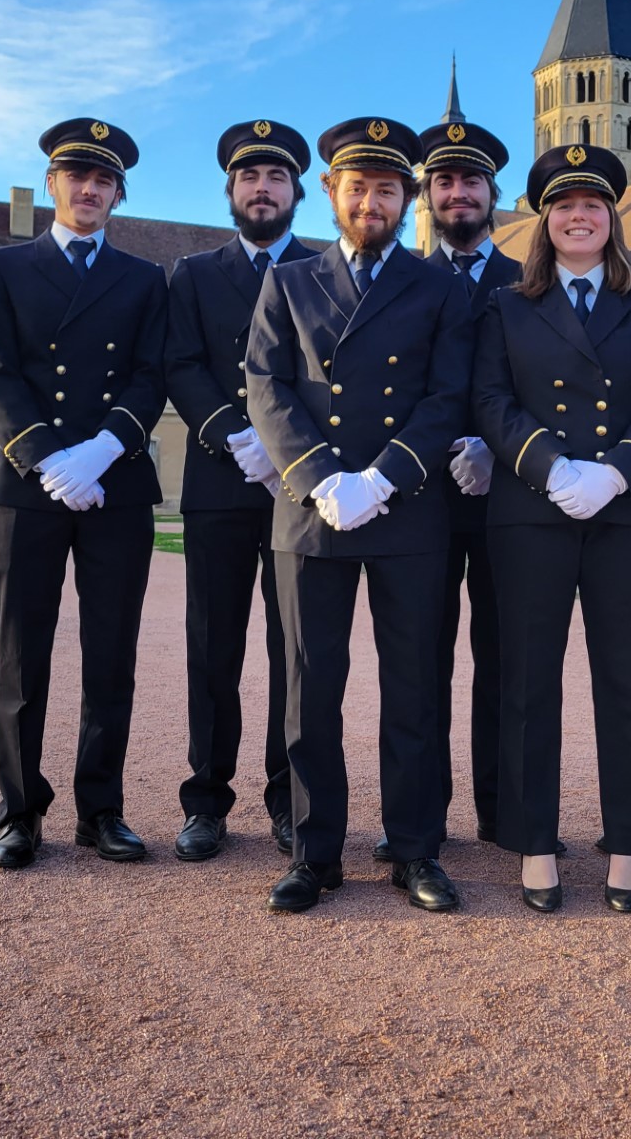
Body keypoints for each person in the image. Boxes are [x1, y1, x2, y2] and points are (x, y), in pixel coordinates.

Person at [245, 116, 474, 914]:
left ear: (405, 198)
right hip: (313, 514)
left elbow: (448, 395)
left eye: (385, 189)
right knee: (311, 690)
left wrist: (382, 478)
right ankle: (314, 854)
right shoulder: (289, 281)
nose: (370, 202)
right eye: (356, 187)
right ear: (331, 192)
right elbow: (266, 386)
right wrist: (319, 477)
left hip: (406, 509)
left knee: (413, 689)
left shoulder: (439, 286)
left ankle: (415, 850)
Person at [473, 143, 631, 912]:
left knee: (627, 680)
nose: (578, 217)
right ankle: (534, 842)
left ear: (612, 218)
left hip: (628, 511)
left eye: (592, 204)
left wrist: (617, 471)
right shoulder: (506, 305)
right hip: (532, 510)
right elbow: (490, 399)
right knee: (529, 680)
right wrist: (551, 467)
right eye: (564, 205)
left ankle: (628, 843)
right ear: (545, 220)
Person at [0, 117, 169, 870]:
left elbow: (150, 376)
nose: (90, 189)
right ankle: (18, 812)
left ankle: (101, 810)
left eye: (105, 179)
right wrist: (50, 459)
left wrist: (101, 450)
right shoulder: (2, 267)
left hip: (116, 484)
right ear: (53, 183)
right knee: (20, 657)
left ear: (119, 194)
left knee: (110, 655)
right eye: (78, 175)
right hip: (28, 485)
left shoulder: (145, 279)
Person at [161, 120, 315, 862]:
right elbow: (181, 363)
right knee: (213, 647)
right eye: (249, 176)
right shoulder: (193, 274)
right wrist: (233, 434)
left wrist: (285, 448)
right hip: (221, 480)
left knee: (296, 651)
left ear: (297, 192)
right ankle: (205, 801)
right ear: (230, 191)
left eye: (276, 177)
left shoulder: (323, 270)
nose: (262, 189)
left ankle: (289, 799)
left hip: (301, 487)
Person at [398, 115, 523, 861]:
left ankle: (505, 813)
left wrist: (498, 450)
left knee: (506, 660)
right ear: (428, 196)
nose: (458, 192)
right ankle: (420, 817)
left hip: (511, 498)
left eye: (471, 180)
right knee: (421, 662)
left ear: (491, 192)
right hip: (421, 498)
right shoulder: (403, 279)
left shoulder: (529, 278)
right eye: (443, 181)